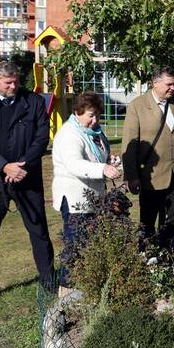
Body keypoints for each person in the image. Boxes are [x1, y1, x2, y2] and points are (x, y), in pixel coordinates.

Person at [0, 61, 56, 310]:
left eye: (16, 81)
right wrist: (4, 166)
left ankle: (48, 281)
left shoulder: (34, 102)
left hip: (27, 178)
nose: (13, 86)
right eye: (8, 82)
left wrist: (22, 165)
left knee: (39, 231)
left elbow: (42, 137)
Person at [122, 66, 174, 255]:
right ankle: (147, 260)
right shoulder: (137, 106)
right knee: (147, 224)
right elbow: (129, 144)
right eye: (168, 84)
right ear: (155, 83)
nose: (173, 88)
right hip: (150, 176)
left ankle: (170, 260)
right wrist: (131, 176)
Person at [51, 92, 121, 252]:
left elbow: (97, 156)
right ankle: (66, 278)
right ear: (77, 111)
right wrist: (102, 168)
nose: (95, 120)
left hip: (94, 198)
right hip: (75, 201)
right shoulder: (69, 134)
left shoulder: (94, 132)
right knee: (75, 249)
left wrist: (109, 161)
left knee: (90, 248)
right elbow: (74, 164)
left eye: (98, 115)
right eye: (91, 115)